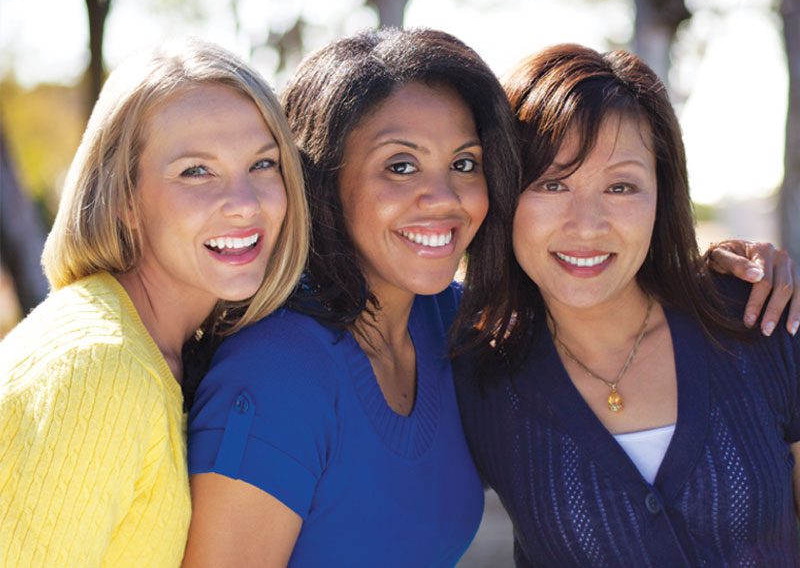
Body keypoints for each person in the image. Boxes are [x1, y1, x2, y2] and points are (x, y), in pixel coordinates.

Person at [184, 29, 796, 567]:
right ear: (322, 178)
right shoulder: (286, 373)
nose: (443, 196)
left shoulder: (450, 329)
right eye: (400, 166)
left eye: (465, 162)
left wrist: (731, 270)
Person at [454, 44, 800, 566]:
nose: (587, 225)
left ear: (662, 194)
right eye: (552, 183)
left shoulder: (759, 319)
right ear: (504, 192)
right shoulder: (474, 377)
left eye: (621, 186)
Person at [0, 39, 309, 567]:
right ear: (123, 199)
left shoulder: (155, 351)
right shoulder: (98, 371)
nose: (244, 204)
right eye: (196, 171)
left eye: (263, 164)